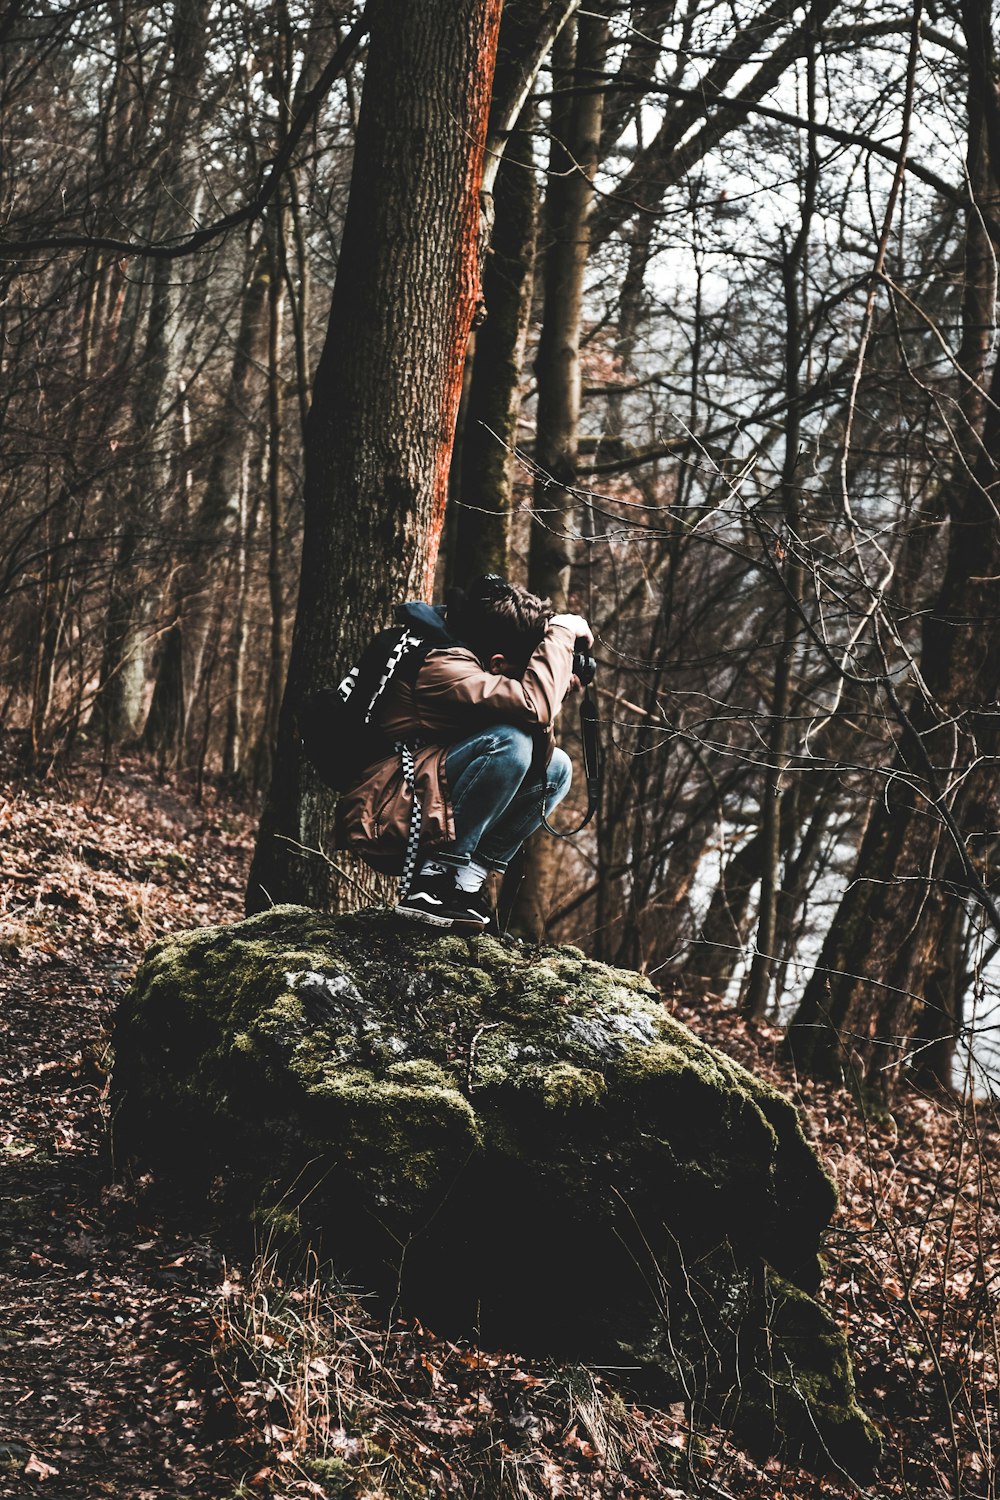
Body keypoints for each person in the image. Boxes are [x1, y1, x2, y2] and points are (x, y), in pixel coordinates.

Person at [336, 574, 593, 931]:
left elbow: (540, 748)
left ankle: (464, 884)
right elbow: (533, 709)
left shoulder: (475, 663)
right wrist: (561, 634)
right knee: (510, 742)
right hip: (384, 810)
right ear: (498, 664)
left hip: (421, 797)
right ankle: (430, 884)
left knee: (558, 768)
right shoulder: (444, 666)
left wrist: (556, 686)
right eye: (526, 671)